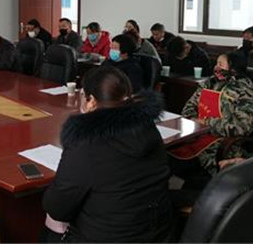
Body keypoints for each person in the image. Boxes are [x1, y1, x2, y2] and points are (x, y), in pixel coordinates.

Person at [42, 66, 172, 242]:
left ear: (92, 101)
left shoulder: (86, 142)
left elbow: (57, 208)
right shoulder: (149, 128)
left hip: (105, 237)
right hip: (157, 234)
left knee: (48, 233)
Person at [169, 51, 253, 175]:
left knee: (185, 163)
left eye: (220, 64)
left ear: (233, 69)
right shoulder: (209, 83)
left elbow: (241, 127)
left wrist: (206, 123)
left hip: (222, 140)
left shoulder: (246, 91)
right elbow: (188, 109)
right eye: (216, 63)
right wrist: (194, 122)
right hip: (195, 133)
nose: (216, 67)